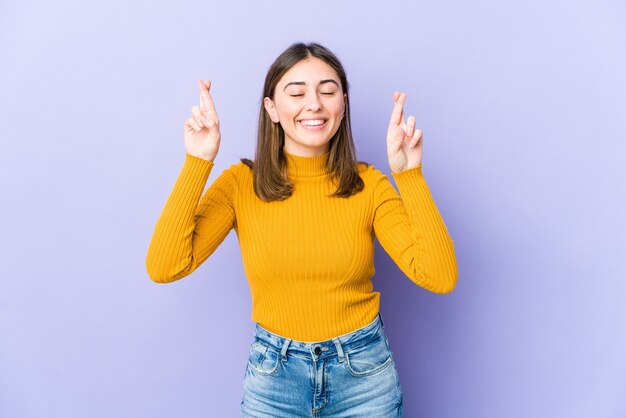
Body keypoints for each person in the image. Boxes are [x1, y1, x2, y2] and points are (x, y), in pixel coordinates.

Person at [145, 42, 457, 417]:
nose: (314, 104)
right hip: (275, 379)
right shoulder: (240, 184)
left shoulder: (369, 185)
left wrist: (409, 174)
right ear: (272, 109)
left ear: (343, 104)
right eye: (297, 93)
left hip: (364, 377)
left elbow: (440, 276)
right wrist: (198, 160)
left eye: (328, 91)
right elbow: (164, 266)